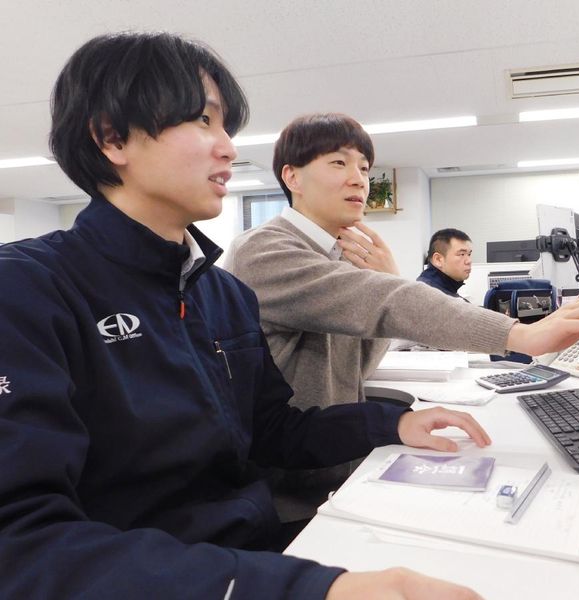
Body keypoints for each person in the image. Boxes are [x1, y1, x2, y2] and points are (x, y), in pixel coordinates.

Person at [0, 32, 494, 600]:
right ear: (112, 137)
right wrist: (310, 589)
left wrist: (393, 423)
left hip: (258, 548)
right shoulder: (29, 289)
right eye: (203, 121)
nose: (229, 149)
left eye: (227, 129)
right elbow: (22, 545)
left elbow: (272, 431)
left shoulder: (223, 294)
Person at [224, 113, 579, 518]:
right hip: (284, 494)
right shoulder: (265, 251)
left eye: (364, 167)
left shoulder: (340, 257)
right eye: (338, 163)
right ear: (292, 177)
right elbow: (386, 301)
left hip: (334, 467)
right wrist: (520, 335)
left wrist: (385, 282)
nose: (359, 179)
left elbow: (360, 364)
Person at [416, 228, 473, 298]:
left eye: (469, 254)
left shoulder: (440, 289)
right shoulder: (429, 296)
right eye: (462, 254)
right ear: (438, 259)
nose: (469, 261)